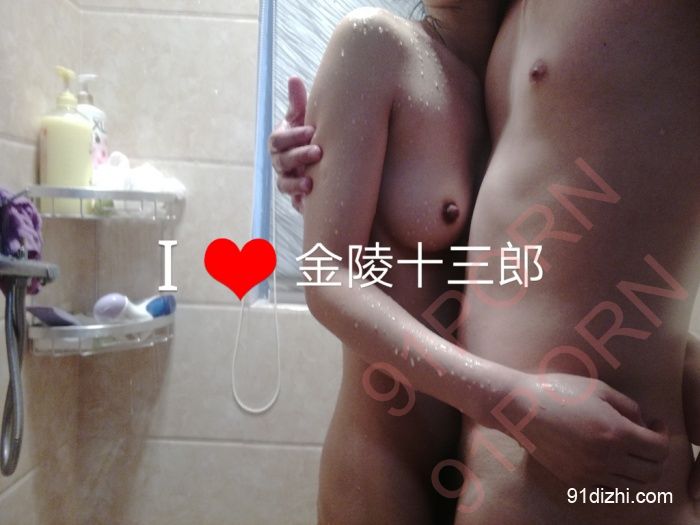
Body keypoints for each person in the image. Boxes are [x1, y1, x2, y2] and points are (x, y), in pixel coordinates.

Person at [273, 1, 700, 523]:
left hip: (504, 455)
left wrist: (676, 367)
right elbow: (325, 275)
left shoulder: (518, 72)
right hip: (391, 464)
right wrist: (511, 402)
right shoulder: (377, 43)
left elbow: (560, 274)